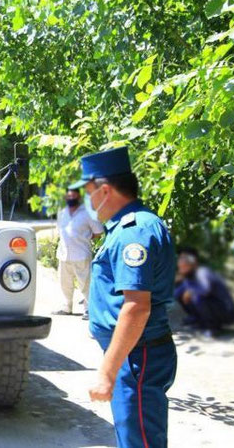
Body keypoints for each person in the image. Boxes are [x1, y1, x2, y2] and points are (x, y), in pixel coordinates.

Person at [71, 147, 177, 448]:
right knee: (135, 437)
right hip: (134, 354)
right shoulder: (128, 226)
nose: (89, 201)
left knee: (140, 442)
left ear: (105, 190)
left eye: (90, 193)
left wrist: (107, 371)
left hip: (137, 357)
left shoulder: (133, 232)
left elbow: (136, 307)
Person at [54, 186, 104, 318]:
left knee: (85, 285)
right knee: (65, 284)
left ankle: (88, 310)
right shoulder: (62, 212)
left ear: (79, 197)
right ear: (66, 198)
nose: (71, 199)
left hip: (81, 254)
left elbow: (98, 231)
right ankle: (66, 307)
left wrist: (84, 238)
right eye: (69, 196)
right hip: (64, 254)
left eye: (74, 196)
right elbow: (60, 229)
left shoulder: (88, 213)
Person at [175, 247, 234, 337]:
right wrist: (177, 281)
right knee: (182, 293)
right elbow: (177, 294)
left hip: (226, 311)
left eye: (184, 259)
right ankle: (198, 320)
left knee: (196, 296)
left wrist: (190, 292)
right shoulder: (188, 277)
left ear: (193, 262)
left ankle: (212, 327)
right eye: (180, 259)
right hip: (214, 306)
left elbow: (205, 289)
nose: (180, 262)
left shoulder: (202, 272)